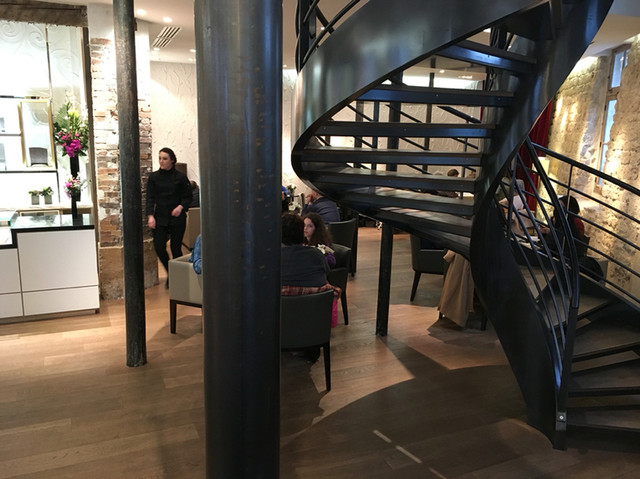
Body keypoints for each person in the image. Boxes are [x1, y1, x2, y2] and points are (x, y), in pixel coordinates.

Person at [146, 147, 192, 286]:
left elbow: (188, 197)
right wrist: (150, 216)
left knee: (176, 248)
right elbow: (150, 198)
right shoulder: (153, 178)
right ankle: (170, 272)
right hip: (160, 217)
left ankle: (177, 278)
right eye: (160, 158)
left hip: (177, 218)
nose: (161, 161)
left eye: (165, 159)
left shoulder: (181, 177)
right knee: (159, 247)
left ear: (172, 160)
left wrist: (180, 207)